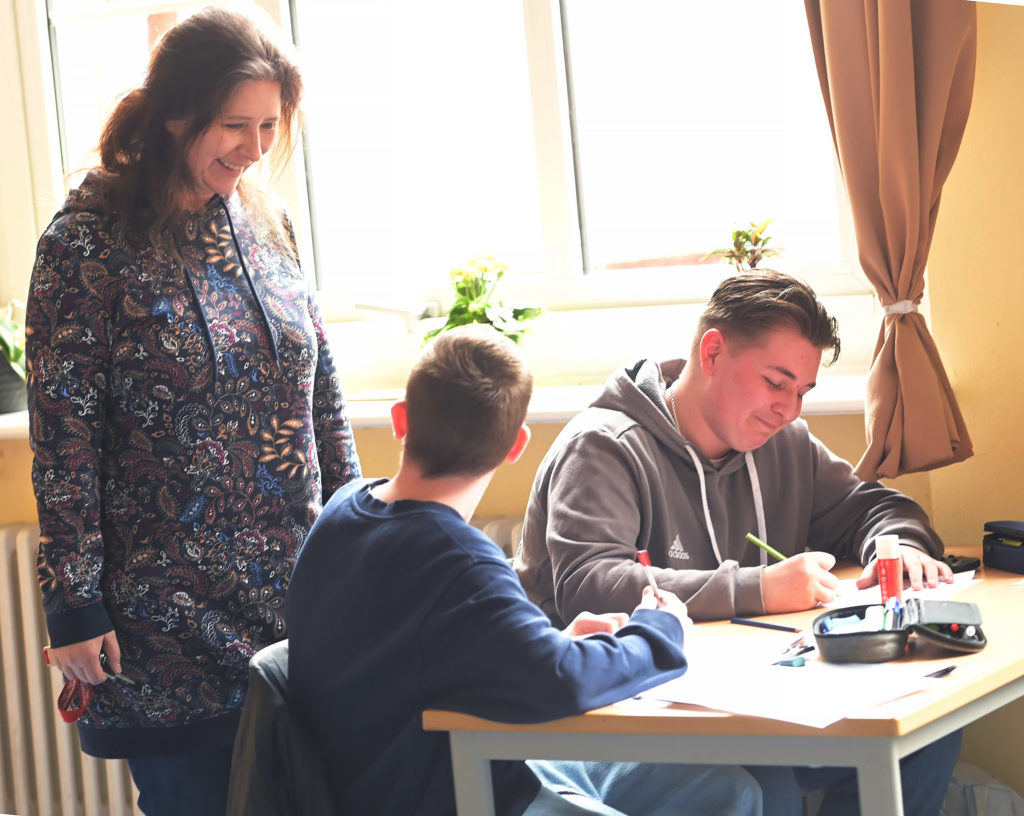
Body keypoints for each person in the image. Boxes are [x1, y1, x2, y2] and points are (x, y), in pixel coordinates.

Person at [25, 9, 360, 815]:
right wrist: (72, 604)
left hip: (293, 599)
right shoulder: (85, 242)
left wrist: (362, 538)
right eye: (234, 125)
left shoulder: (269, 223)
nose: (254, 148)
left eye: (270, 126)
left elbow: (322, 395)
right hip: (160, 618)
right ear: (176, 115)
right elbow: (62, 432)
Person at [514, 269, 960, 814]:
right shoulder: (604, 447)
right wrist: (760, 588)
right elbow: (589, 585)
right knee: (757, 783)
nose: (790, 408)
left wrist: (897, 544)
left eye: (802, 391)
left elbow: (873, 506)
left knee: (922, 739)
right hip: (611, 721)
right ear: (713, 352)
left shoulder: (782, 442)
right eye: (776, 383)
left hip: (744, 701)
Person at [287, 324, 765, 816]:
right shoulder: (459, 562)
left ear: (400, 419)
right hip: (459, 790)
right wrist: (659, 631)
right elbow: (563, 681)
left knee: (731, 790)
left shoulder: (343, 510)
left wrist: (549, 641)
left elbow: (430, 647)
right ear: (516, 446)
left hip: (391, 772)